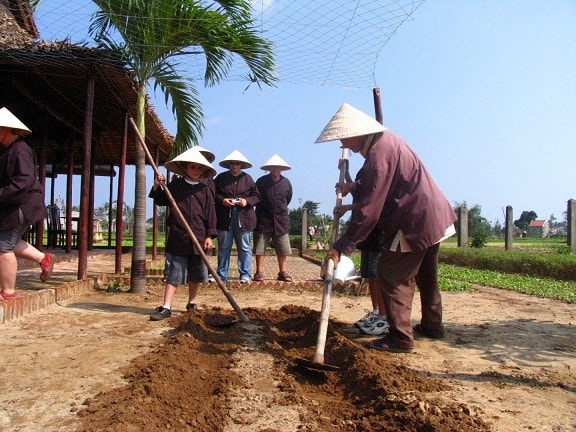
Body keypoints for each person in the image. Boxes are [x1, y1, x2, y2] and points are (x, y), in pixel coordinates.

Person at [316, 103, 457, 353]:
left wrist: (341, 247)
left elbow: (369, 210)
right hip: (433, 215)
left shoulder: (378, 156)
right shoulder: (386, 143)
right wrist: (354, 187)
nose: (345, 145)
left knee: (391, 274)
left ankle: (401, 338)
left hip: (414, 220)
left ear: (357, 132)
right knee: (427, 276)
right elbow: (381, 184)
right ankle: (433, 326)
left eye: (344, 138)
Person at [148, 147, 217, 321]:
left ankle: (191, 303)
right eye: (193, 167)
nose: (196, 171)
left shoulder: (205, 190)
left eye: (199, 168)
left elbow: (210, 215)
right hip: (178, 237)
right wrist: (157, 185)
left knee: (196, 274)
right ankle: (166, 306)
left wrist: (209, 236)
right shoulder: (175, 186)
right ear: (185, 168)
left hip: (199, 238)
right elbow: (160, 200)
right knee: (174, 273)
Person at [0, 107, 54, 301]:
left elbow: (23, 181)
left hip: (23, 204)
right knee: (8, 241)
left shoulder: (19, 151)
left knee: (3, 246)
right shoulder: (12, 150)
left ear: (5, 129)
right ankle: (42, 258)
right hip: (23, 204)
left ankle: (8, 291)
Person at [334, 163, 388, 336]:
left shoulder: (378, 169)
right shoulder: (367, 168)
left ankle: (384, 316)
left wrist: (347, 207)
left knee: (377, 276)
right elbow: (358, 190)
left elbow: (370, 201)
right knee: (369, 276)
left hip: (377, 230)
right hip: (367, 234)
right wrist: (347, 172)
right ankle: (375, 311)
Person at [214, 150, 260, 284]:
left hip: (244, 218)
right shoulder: (221, 178)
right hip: (224, 218)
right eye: (232, 164)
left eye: (237, 164)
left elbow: (257, 196)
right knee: (223, 247)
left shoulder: (248, 178)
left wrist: (246, 201)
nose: (234, 166)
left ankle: (245, 275)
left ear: (241, 165)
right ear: (229, 165)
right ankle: (222, 275)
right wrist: (223, 200)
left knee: (245, 248)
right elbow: (213, 194)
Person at [253, 154, 293, 282]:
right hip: (263, 219)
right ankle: (259, 272)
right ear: (269, 168)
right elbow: (255, 196)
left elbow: (288, 199)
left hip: (280, 220)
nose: (276, 170)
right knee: (260, 248)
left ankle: (282, 271)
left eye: (278, 168)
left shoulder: (286, 182)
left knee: (282, 248)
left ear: (281, 169)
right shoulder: (261, 181)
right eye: (273, 167)